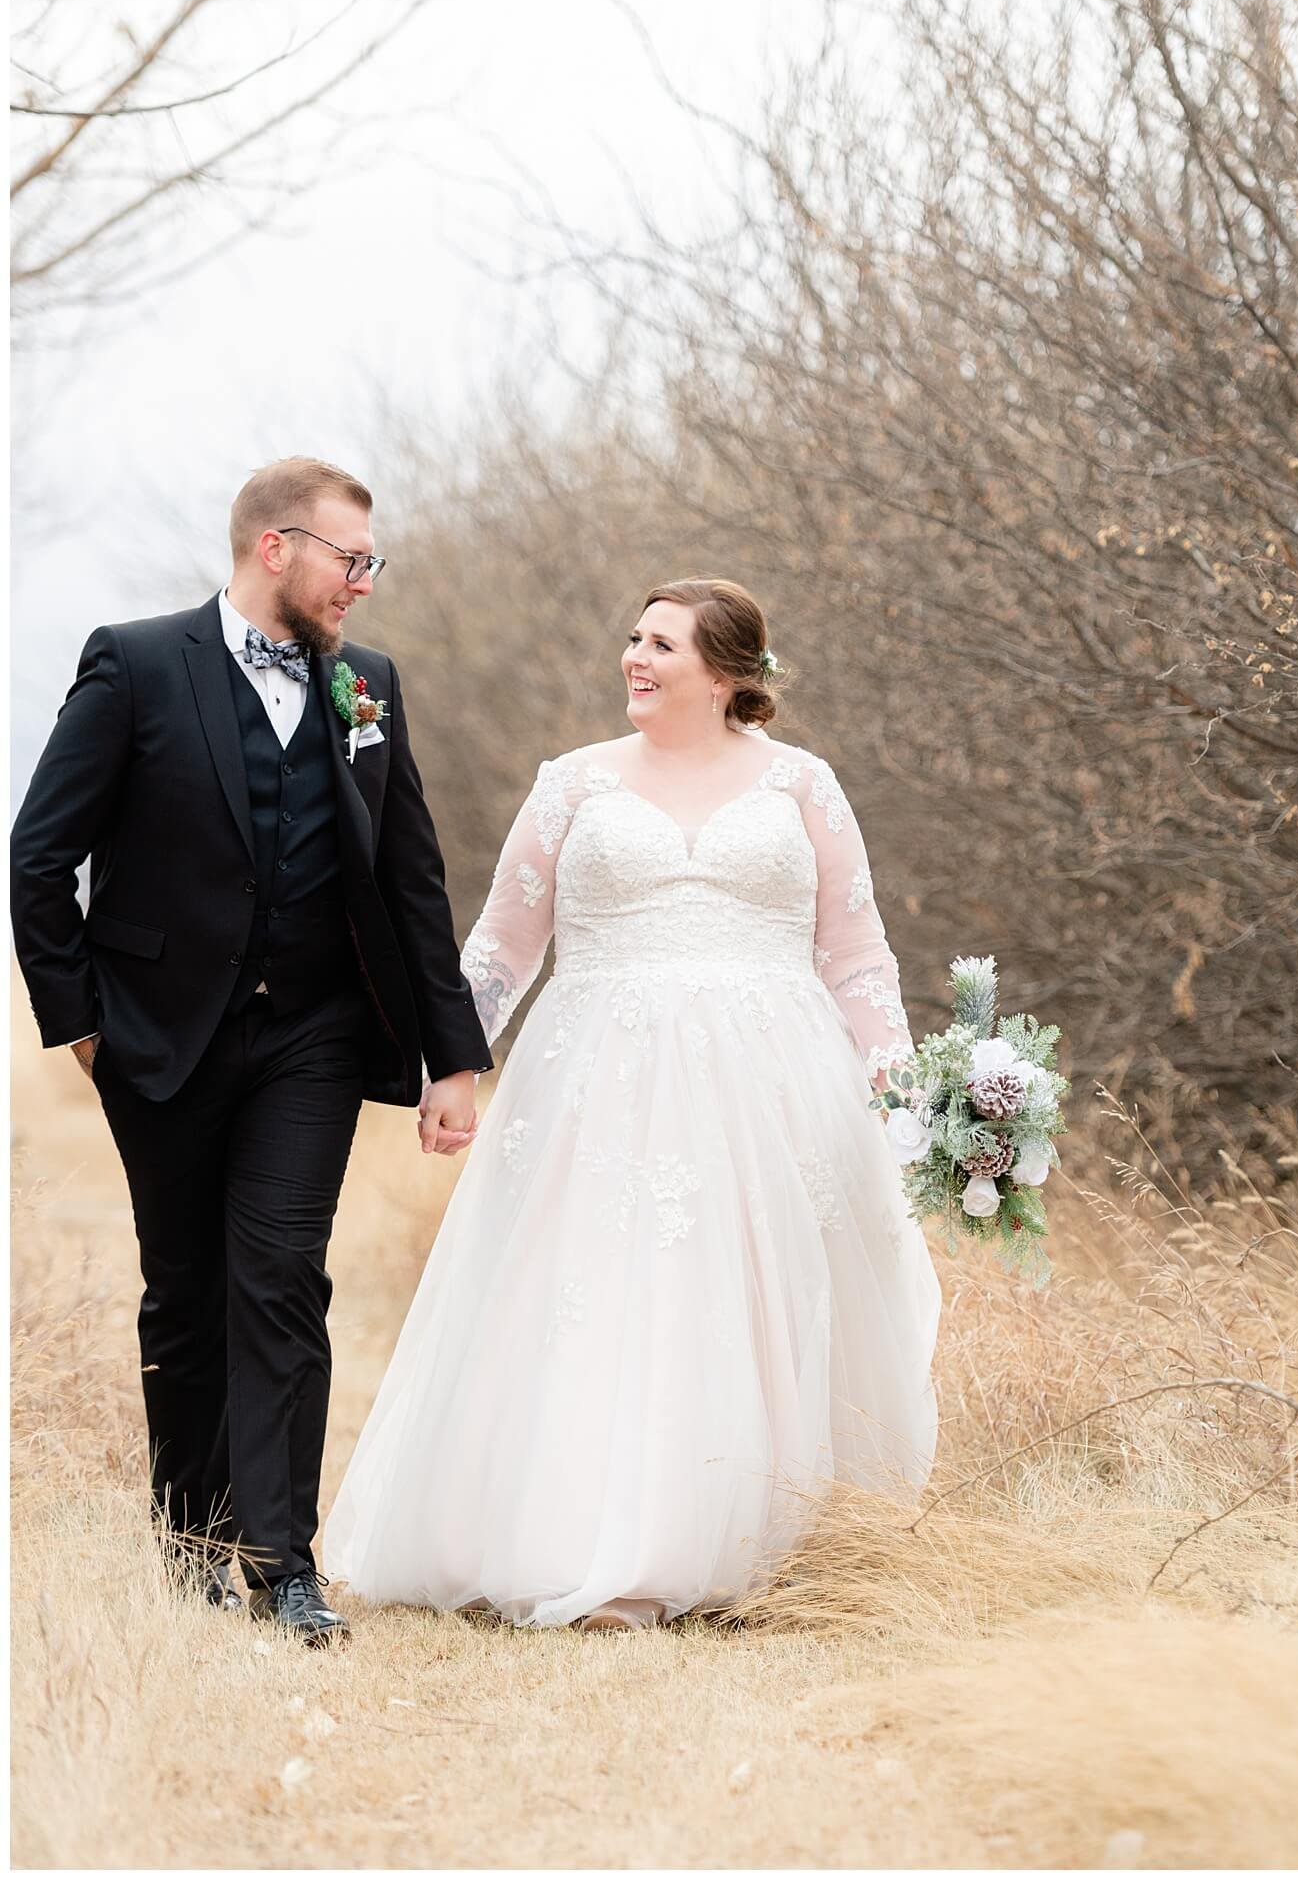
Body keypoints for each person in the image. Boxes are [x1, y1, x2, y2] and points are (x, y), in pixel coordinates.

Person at [325, 577, 940, 1630]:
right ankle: (597, 1551)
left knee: (752, 1296)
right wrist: (448, 1066)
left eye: (662, 643)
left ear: (727, 673)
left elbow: (854, 952)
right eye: (633, 637)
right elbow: (501, 950)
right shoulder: (573, 783)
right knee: (608, 1292)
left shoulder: (802, 786)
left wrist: (900, 1096)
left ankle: (773, 1548)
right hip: (600, 1072)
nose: (634, 657)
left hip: (774, 1080)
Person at [10, 456, 491, 1645]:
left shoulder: (366, 685)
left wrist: (453, 1054)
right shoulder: (133, 660)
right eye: (350, 557)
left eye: (372, 561)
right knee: (184, 1292)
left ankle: (282, 1561)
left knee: (280, 1276)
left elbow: (409, 879)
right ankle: (191, 1538)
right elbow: (38, 852)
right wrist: (78, 1020)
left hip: (315, 1038)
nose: (364, 584)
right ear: (275, 547)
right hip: (158, 1036)